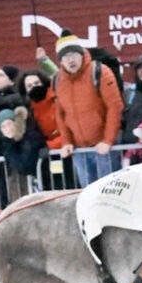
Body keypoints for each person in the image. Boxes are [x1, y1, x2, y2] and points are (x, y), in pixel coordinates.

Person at [52, 30, 124, 187]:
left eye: (73, 54)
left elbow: (115, 106)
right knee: (88, 196)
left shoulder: (100, 72)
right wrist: (66, 141)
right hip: (80, 150)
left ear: (81, 54)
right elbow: (60, 113)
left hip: (104, 148)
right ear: (60, 61)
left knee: (110, 194)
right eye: (65, 56)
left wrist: (107, 140)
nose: (70, 60)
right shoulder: (57, 80)